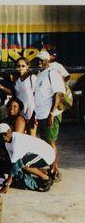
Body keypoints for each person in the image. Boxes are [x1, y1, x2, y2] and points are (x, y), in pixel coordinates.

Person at [0, 123, 54, 194]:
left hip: (47, 154)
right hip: (36, 154)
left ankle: (46, 179)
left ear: (9, 131)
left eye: (4, 134)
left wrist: (7, 184)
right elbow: (12, 162)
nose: (3, 137)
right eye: (0, 136)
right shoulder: (7, 143)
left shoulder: (17, 141)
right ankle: (44, 172)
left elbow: (16, 164)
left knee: (23, 164)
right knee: (20, 165)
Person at [32, 51, 64, 181]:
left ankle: (54, 169)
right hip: (41, 115)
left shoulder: (52, 73)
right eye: (37, 59)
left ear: (47, 61)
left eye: (42, 59)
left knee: (51, 142)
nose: (39, 61)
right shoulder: (40, 75)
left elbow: (58, 94)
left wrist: (51, 113)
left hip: (49, 114)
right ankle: (52, 167)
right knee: (46, 142)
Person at [13, 57, 37, 135]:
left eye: (23, 66)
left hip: (31, 112)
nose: (20, 68)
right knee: (21, 136)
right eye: (18, 66)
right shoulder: (16, 79)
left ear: (27, 66)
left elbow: (36, 95)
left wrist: (35, 113)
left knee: (32, 138)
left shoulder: (32, 78)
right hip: (20, 112)